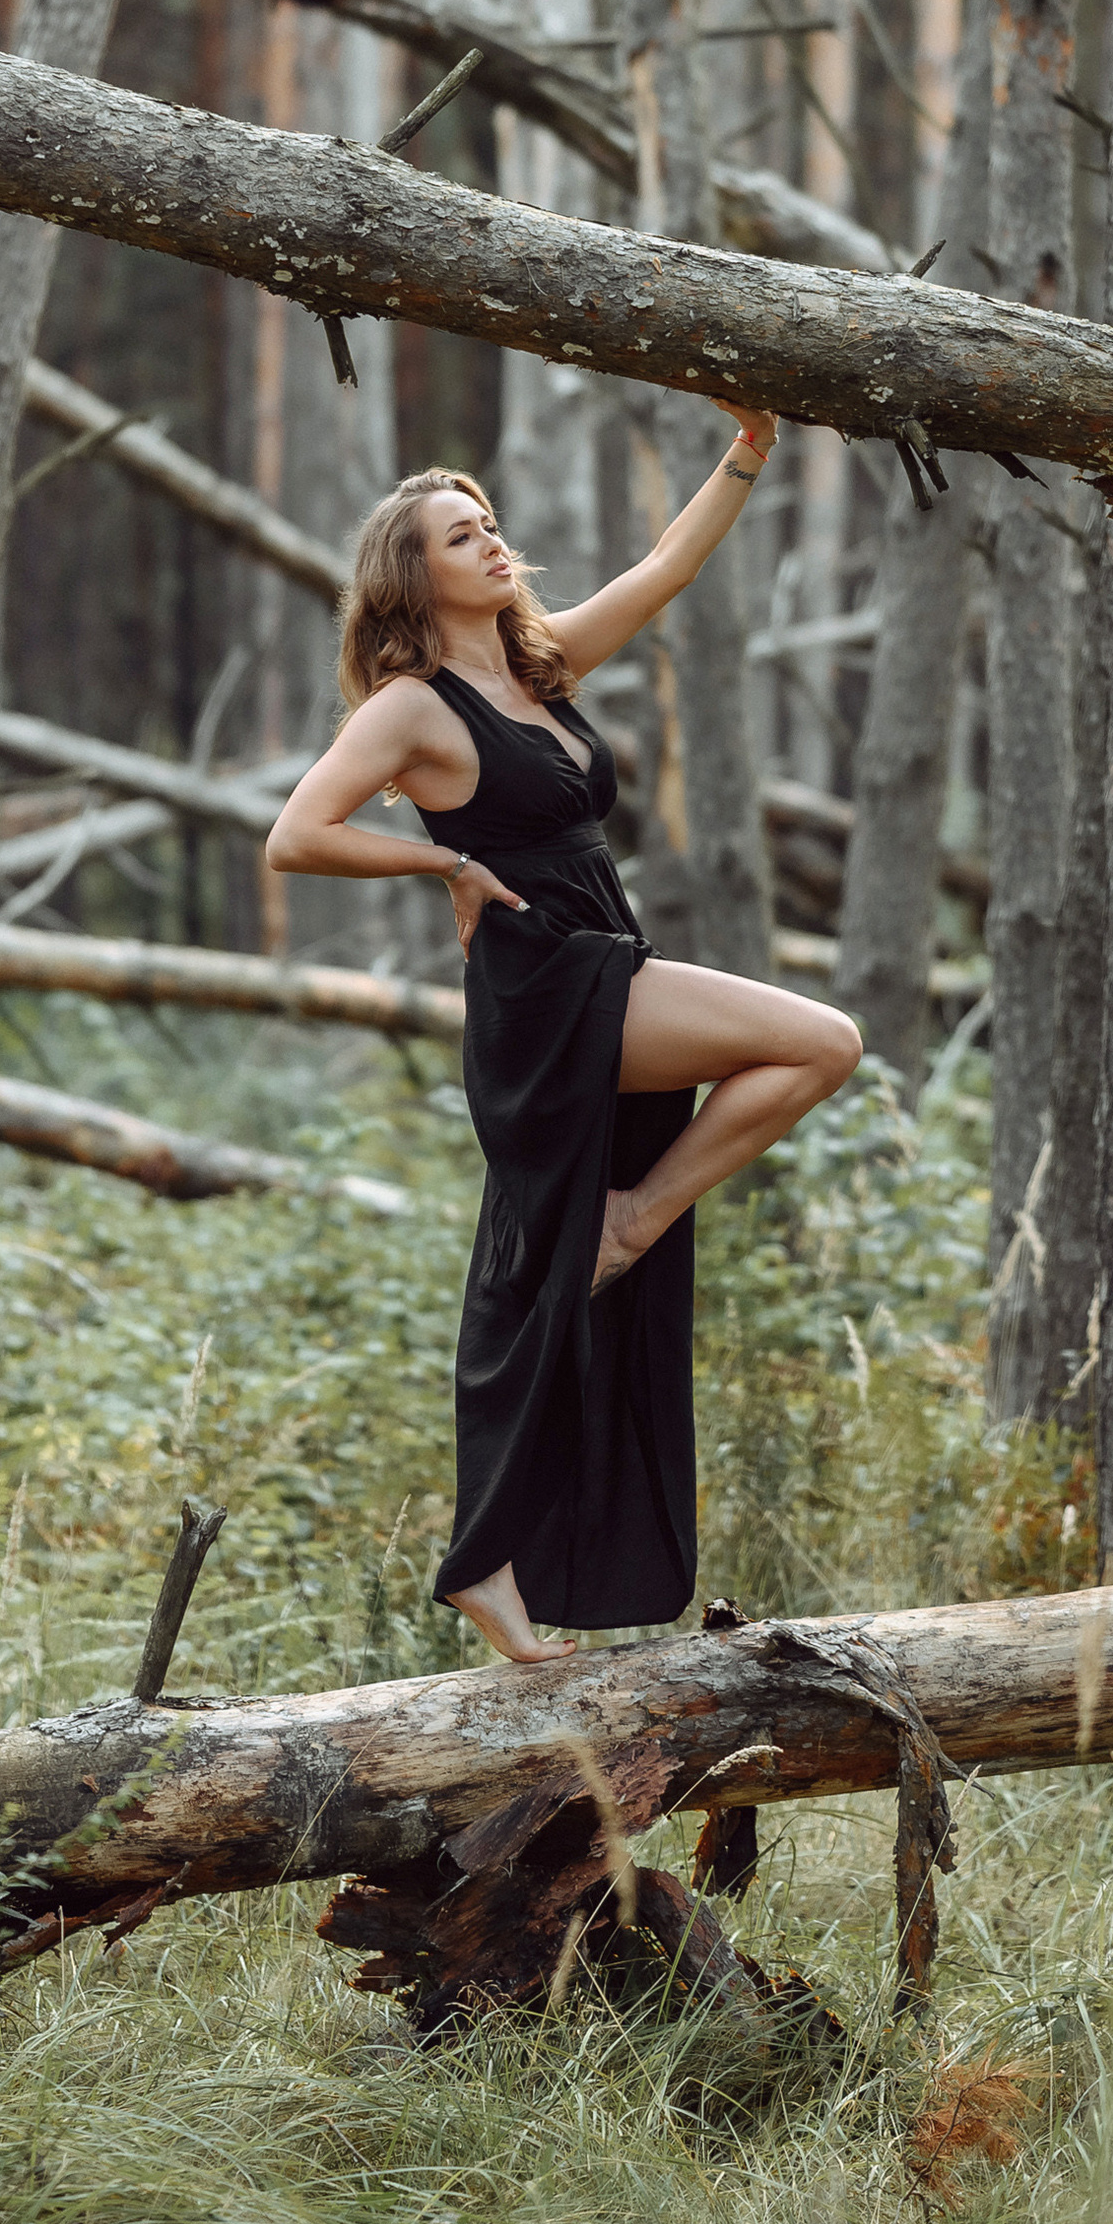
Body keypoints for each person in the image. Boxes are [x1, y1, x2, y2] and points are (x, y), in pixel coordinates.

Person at [265, 411, 862, 1666]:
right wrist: (445, 864)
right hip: (550, 985)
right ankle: (632, 1218)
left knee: (536, 1278)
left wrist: (747, 450)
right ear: (409, 574)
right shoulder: (409, 708)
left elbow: (663, 573)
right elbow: (296, 834)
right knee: (820, 1041)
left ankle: (494, 1563)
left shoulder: (535, 671)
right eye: (458, 534)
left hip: (602, 953)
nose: (491, 543)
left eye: (488, 523)